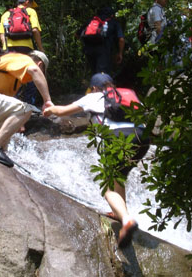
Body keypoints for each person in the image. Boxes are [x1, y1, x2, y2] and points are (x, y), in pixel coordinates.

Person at [43, 73, 149, 247]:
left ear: (93, 88)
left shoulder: (93, 97)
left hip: (118, 138)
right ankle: (120, 214)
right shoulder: (127, 96)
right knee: (119, 176)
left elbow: (61, 111)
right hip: (142, 139)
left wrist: (49, 109)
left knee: (108, 189)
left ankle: (127, 220)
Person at [77, 7, 125, 75]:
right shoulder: (114, 22)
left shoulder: (91, 21)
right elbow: (121, 39)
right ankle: (100, 85)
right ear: (112, 15)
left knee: (94, 73)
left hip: (89, 51)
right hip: (104, 51)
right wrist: (120, 53)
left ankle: (94, 84)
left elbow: (77, 35)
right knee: (102, 75)